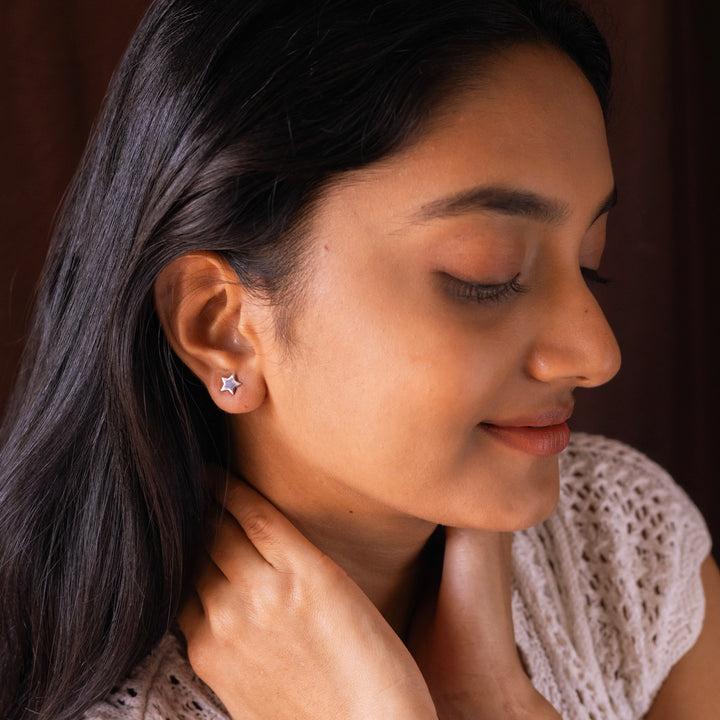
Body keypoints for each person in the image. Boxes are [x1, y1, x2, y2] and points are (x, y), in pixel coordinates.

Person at [0, 0, 718, 718]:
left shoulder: (626, 553)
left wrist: (492, 702)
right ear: (220, 326)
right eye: (487, 274)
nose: (596, 354)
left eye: (590, 265)